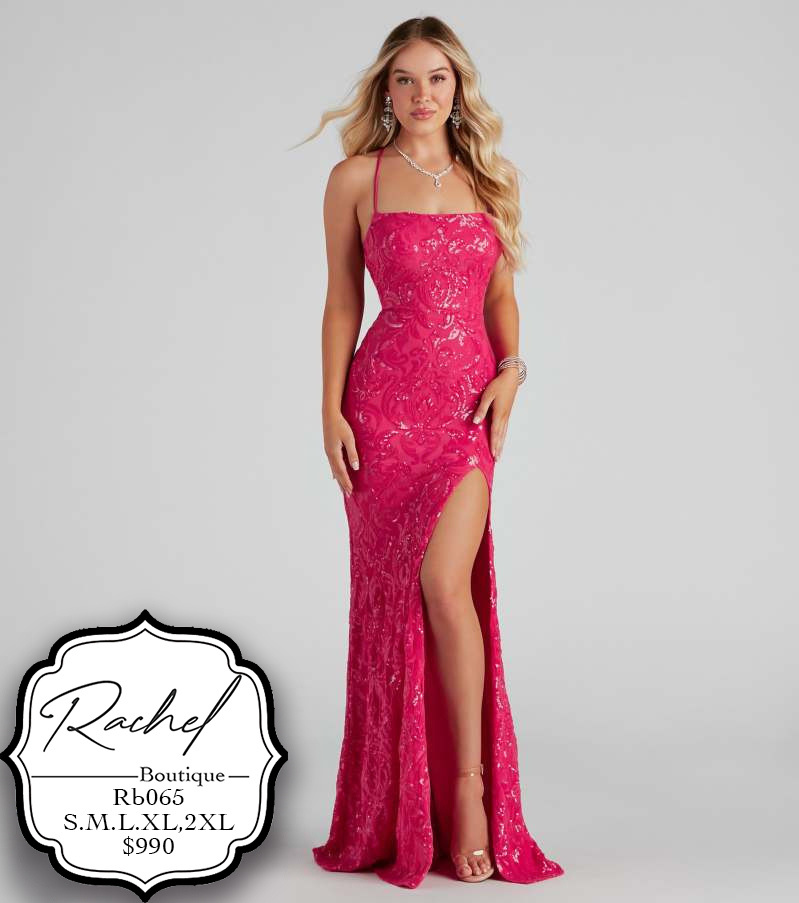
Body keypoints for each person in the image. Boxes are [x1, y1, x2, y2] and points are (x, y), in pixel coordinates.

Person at [308, 15, 564, 889]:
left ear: (459, 89)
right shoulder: (356, 178)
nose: (423, 94)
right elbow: (342, 302)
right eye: (407, 79)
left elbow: (499, 298)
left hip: (461, 411)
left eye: (438, 78)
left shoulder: (491, 177)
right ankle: (401, 805)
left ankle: (467, 792)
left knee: (448, 587)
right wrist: (329, 408)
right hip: (381, 411)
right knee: (396, 599)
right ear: (386, 90)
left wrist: (512, 370)